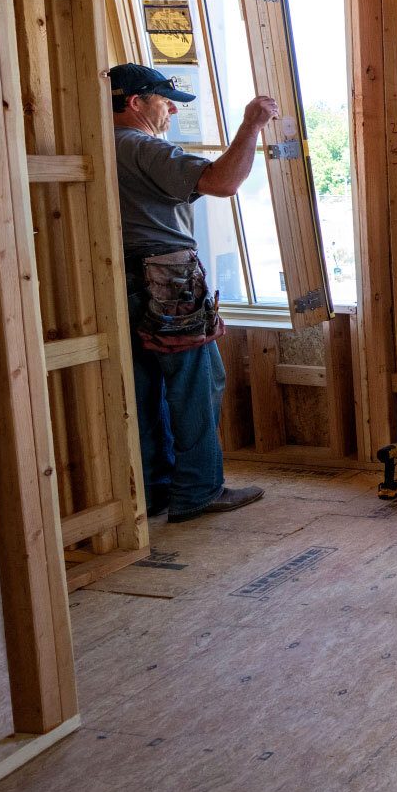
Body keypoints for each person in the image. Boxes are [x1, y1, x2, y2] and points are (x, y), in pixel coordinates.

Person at [110, 62, 278, 523]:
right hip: (166, 280)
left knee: (142, 388)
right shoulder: (141, 147)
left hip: (118, 279)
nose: (169, 111)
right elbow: (223, 182)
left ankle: (154, 489)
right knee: (196, 383)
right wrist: (250, 127)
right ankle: (199, 490)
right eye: (164, 101)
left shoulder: (98, 145)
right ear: (134, 102)